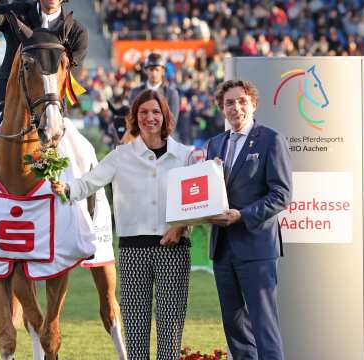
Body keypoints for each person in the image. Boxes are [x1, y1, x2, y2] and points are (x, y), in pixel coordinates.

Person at [0, 0, 119, 336]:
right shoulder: (17, 11)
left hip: (49, 107)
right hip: (7, 105)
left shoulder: (76, 30)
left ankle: (92, 217)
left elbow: (64, 70)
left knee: (83, 152)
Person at [52, 90, 192, 360]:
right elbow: (88, 183)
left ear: (165, 116)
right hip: (132, 252)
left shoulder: (184, 156)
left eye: (155, 112)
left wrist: (182, 225)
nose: (150, 118)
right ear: (134, 118)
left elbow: (196, 203)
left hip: (174, 250)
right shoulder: (121, 155)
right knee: (136, 335)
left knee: (170, 334)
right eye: (143, 113)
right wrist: (65, 187)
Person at [205, 80, 292, 360]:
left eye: (242, 101)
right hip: (222, 249)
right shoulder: (215, 144)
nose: (236, 107)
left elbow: (281, 194)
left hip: (256, 247)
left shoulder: (270, 139)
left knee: (263, 326)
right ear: (222, 109)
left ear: (253, 104)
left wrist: (244, 215)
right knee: (234, 327)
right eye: (229, 103)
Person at [0, 0, 88, 111]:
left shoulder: (77, 32)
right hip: (7, 103)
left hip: (52, 110)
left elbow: (72, 74)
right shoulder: (16, 12)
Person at [129, 53, 180, 128]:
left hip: (163, 138)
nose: (154, 73)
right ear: (146, 70)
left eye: (157, 70)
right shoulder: (135, 93)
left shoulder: (171, 94)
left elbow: (171, 123)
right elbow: (132, 119)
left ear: (163, 71)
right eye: (151, 69)